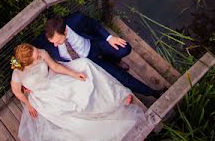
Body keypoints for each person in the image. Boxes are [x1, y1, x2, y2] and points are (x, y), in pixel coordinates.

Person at [10, 43, 143, 141]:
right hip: (42, 96)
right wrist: (28, 105)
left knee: (84, 67)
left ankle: (114, 98)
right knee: (70, 109)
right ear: (27, 64)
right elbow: (17, 92)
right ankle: (97, 118)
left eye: (36, 51)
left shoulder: (41, 52)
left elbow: (55, 67)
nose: (39, 54)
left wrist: (73, 74)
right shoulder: (17, 72)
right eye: (37, 57)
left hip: (53, 81)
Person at [33, 12, 163, 98]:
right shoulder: (45, 41)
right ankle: (152, 93)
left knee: (124, 49)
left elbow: (94, 25)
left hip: (94, 46)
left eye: (58, 41)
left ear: (65, 31)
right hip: (85, 63)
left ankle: (114, 60)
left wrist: (109, 38)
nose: (56, 45)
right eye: (53, 43)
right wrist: (16, 66)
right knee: (121, 77)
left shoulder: (76, 20)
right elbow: (21, 54)